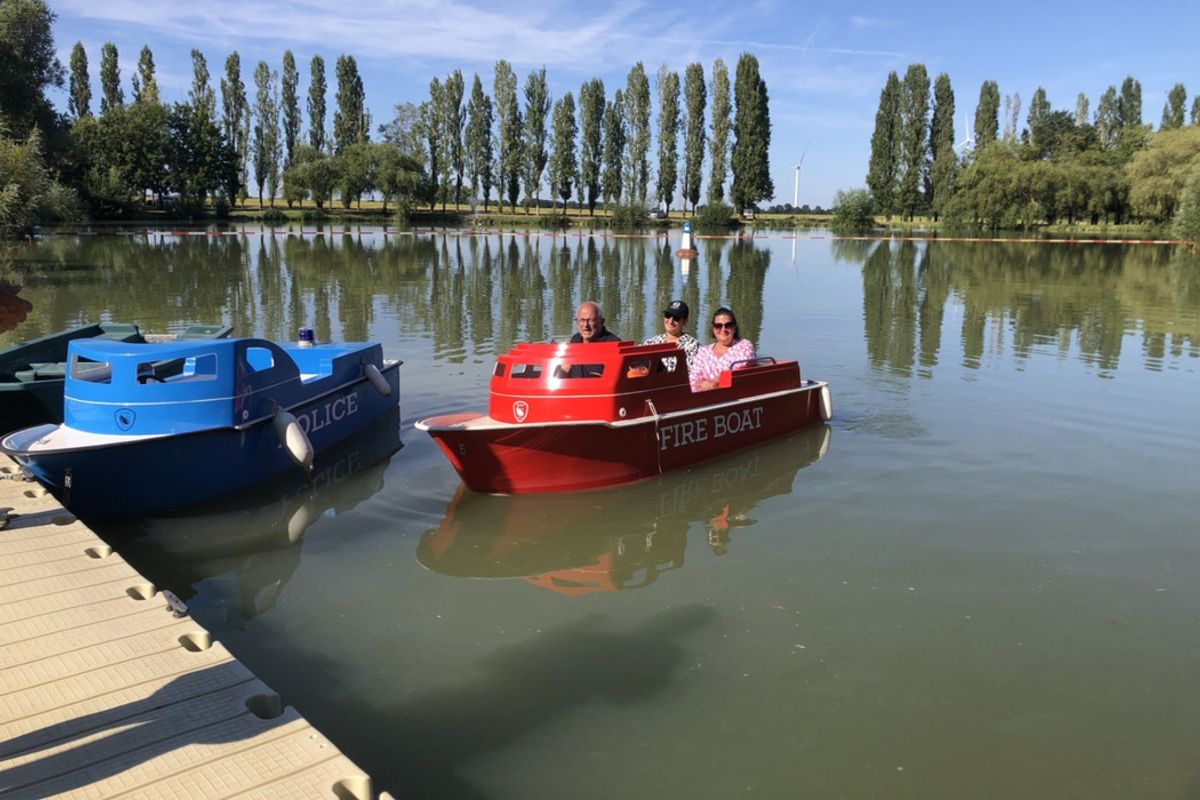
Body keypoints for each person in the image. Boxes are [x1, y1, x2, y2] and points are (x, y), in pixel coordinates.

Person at [690, 306, 756, 391]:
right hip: (703, 395)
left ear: (734, 328)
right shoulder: (703, 351)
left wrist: (715, 382)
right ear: (713, 329)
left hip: (734, 394)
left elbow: (739, 372)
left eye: (728, 325)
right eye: (718, 326)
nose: (723, 329)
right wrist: (701, 384)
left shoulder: (744, 345)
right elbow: (693, 378)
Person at [642, 300, 700, 374]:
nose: (670, 321)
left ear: (684, 321)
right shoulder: (653, 342)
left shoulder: (692, 345)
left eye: (676, 318)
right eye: (668, 315)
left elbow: (693, 374)